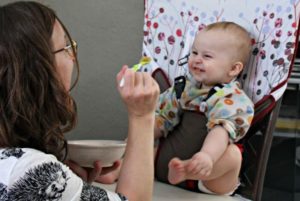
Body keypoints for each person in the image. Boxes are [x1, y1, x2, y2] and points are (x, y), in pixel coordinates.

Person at [0, 1, 159, 201]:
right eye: (66, 47)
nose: (73, 57)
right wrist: (142, 115)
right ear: (37, 68)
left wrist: (72, 186)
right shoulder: (30, 171)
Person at [154, 21, 254, 195]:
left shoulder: (232, 98)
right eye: (194, 53)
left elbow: (221, 131)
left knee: (233, 155)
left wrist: (207, 156)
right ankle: (119, 168)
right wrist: (136, 137)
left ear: (233, 68)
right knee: (146, 136)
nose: (197, 59)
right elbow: (161, 119)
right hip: (165, 165)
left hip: (208, 177)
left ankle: (189, 171)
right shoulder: (183, 89)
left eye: (207, 56)